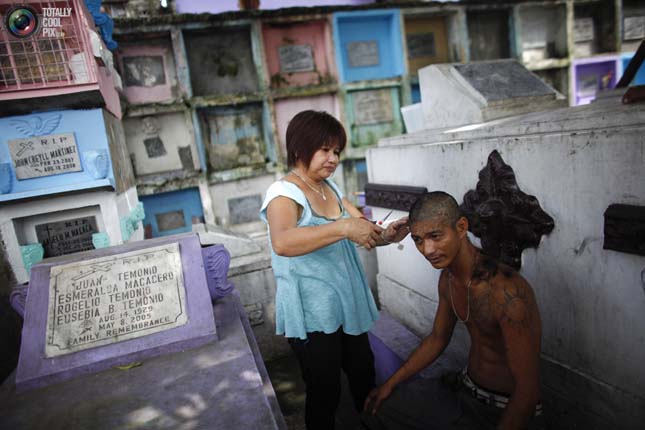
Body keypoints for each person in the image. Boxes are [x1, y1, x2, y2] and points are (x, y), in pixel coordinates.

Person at [259, 110, 409, 430]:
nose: (332, 159)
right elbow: (283, 242)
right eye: (325, 150)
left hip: (346, 303)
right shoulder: (283, 193)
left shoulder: (331, 187)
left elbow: (361, 229)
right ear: (300, 148)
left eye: (337, 151)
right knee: (324, 391)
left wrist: (387, 235)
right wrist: (343, 228)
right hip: (313, 312)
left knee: (363, 375)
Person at [362, 191, 544, 430]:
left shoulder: (507, 293)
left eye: (435, 236)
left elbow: (527, 392)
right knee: (378, 411)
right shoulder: (448, 279)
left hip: (502, 409)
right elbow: (438, 338)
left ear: (460, 227)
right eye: (418, 240)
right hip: (464, 390)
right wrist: (390, 383)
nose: (427, 250)